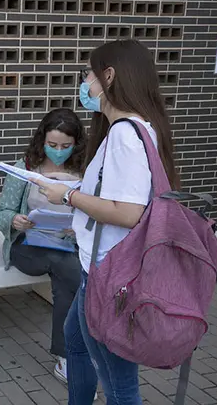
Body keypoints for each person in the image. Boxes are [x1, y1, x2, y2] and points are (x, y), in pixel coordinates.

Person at [33, 39, 180, 405]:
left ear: (108, 76)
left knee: (119, 385)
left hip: (109, 273)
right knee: (75, 341)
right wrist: (75, 186)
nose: (85, 82)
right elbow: (120, 192)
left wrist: (67, 196)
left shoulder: (124, 135)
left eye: (89, 73)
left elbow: (128, 213)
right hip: (103, 268)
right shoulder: (140, 128)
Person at [0, 108, 85, 383]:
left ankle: (67, 356)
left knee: (64, 279)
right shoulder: (26, 167)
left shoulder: (85, 169)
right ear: (41, 141)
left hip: (66, 244)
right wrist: (15, 220)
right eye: (52, 145)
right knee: (71, 271)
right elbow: (1, 212)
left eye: (65, 146)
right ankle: (81, 348)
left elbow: (94, 214)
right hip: (28, 246)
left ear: (76, 144)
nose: (58, 151)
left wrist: (77, 227)